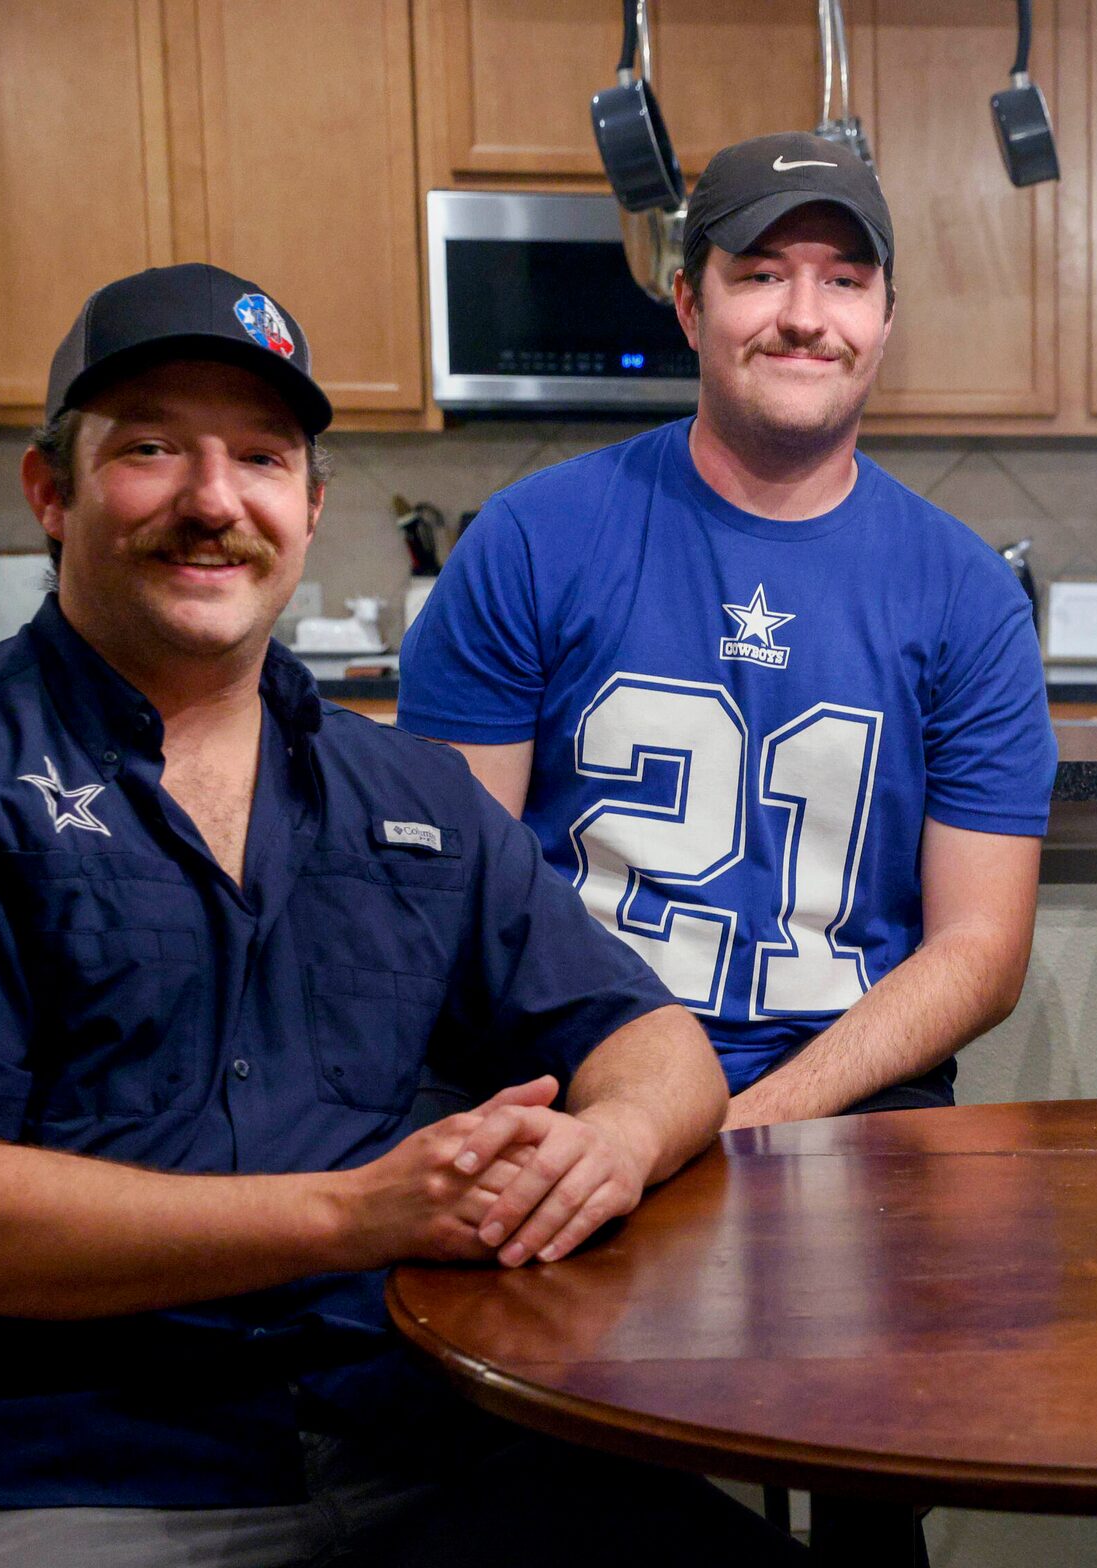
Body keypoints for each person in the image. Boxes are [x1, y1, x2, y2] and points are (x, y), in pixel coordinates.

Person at [0, 266, 951, 1568]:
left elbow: (647, 1039)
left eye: (260, 461)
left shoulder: (403, 796)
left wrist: (616, 1142)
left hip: (414, 1464)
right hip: (56, 1489)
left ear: (311, 502)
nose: (211, 502)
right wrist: (354, 1214)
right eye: (153, 449)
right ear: (52, 487)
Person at [399, 133, 1057, 1123]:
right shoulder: (532, 540)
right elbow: (455, 888)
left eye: (843, 280)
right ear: (688, 305)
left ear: (884, 319)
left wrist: (731, 1131)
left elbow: (979, 953)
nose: (804, 318)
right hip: (563, 1086)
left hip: (844, 1102)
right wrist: (631, 1119)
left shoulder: (966, 597)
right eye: (758, 275)